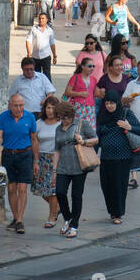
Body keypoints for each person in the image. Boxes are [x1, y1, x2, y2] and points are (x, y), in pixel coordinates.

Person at [97, 71, 140, 224]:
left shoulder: (125, 113)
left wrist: (129, 126)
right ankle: (111, 211)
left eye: (112, 103)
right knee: (107, 186)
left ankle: (118, 213)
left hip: (122, 157)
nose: (110, 105)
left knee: (119, 186)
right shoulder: (102, 116)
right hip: (106, 157)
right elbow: (98, 135)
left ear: (117, 102)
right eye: (107, 103)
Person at [0, 93, 39, 234]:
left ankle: (19, 220)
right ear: (10, 105)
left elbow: (34, 139)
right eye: (16, 105)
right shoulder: (3, 117)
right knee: (11, 188)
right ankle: (15, 218)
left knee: (23, 188)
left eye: (21, 105)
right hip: (8, 154)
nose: (19, 108)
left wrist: (36, 160)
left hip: (25, 154)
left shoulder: (30, 117)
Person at [53, 100, 98, 238]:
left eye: (65, 117)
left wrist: (83, 141)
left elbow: (95, 139)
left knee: (76, 196)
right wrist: (54, 169)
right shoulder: (58, 129)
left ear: (71, 115)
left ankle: (74, 225)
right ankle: (68, 217)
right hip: (63, 166)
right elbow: (56, 149)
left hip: (79, 165)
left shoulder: (81, 124)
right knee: (60, 192)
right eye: (60, 117)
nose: (63, 120)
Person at [31, 94, 61, 227]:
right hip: (41, 159)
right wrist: (35, 160)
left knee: (53, 189)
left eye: (53, 108)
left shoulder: (61, 124)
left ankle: (52, 217)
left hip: (56, 159)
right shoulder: (38, 123)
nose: (50, 111)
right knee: (42, 191)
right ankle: (59, 207)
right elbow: (34, 141)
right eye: (48, 108)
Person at [64, 56, 99, 136]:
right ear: (83, 66)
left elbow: (96, 93)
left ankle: (88, 146)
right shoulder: (75, 77)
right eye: (89, 66)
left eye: (93, 66)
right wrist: (79, 94)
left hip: (90, 108)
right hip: (78, 107)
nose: (92, 68)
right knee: (77, 130)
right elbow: (67, 92)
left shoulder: (94, 79)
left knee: (90, 131)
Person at [26, 13, 58, 78]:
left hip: (46, 56)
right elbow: (28, 41)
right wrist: (29, 52)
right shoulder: (33, 29)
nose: (41, 20)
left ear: (47, 20)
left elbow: (52, 43)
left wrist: (54, 55)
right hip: (35, 57)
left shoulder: (50, 31)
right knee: (35, 76)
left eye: (43, 18)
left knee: (47, 76)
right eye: (39, 18)